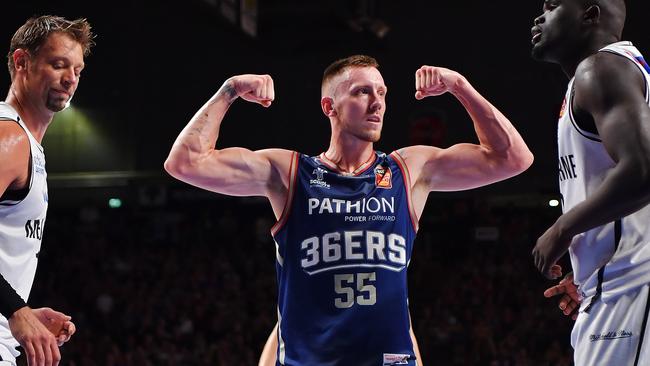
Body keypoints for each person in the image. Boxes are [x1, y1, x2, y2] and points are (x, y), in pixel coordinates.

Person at [165, 55, 533, 365]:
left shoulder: (408, 169)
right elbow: (185, 163)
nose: (377, 102)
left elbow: (512, 158)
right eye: (362, 92)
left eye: (382, 92)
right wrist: (229, 90)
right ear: (330, 107)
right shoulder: (292, 173)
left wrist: (460, 86)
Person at [530, 0, 650, 364]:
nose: (540, 16)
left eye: (552, 5)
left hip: (632, 289)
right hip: (618, 288)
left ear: (590, 14)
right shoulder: (610, 75)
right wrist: (589, 269)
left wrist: (562, 228)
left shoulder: (601, 68)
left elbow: (643, 170)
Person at [0, 15, 94, 366]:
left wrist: (21, 312)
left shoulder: (27, 144)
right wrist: (15, 310)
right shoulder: (8, 138)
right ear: (22, 61)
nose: (70, 79)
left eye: (78, 70)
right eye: (58, 65)